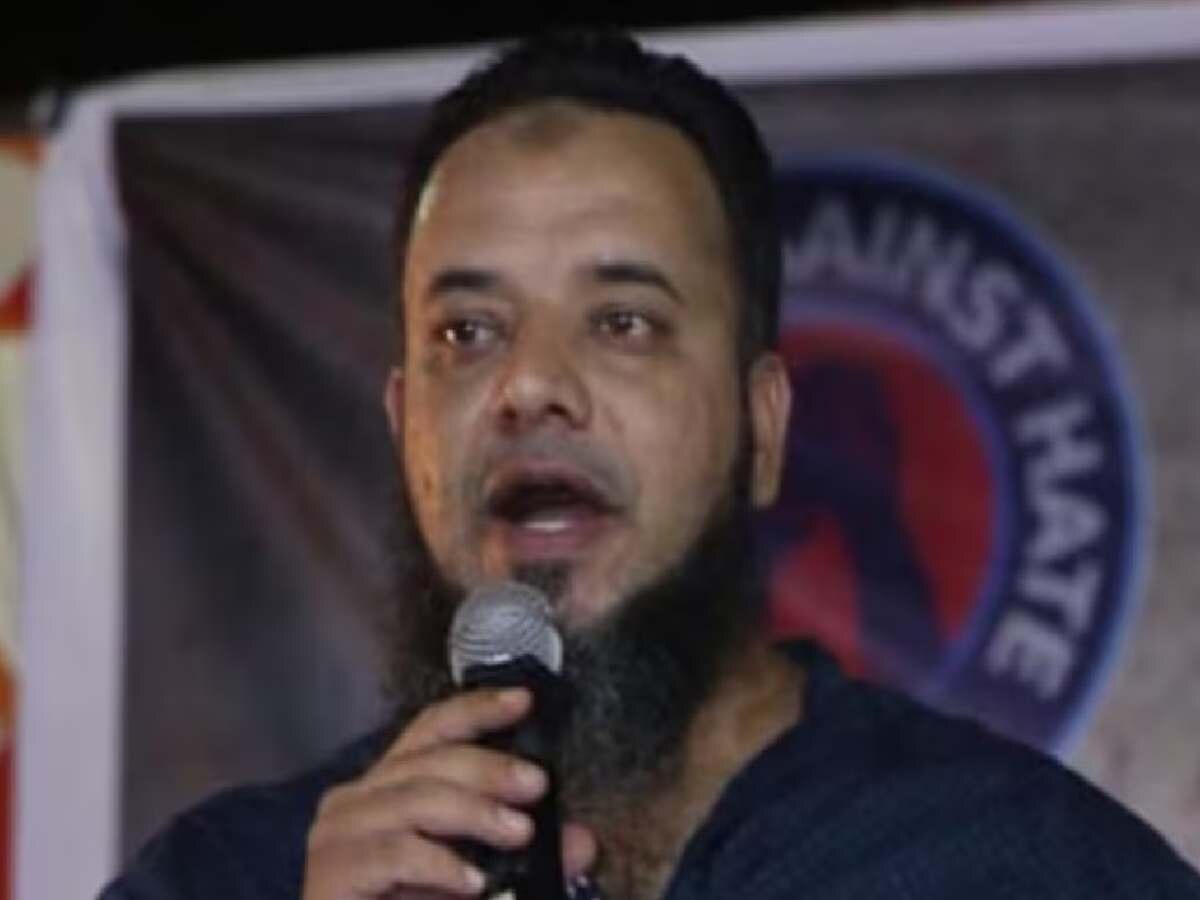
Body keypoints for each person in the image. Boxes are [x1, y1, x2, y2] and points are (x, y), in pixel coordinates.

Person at [100, 29, 1200, 900]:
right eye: (467, 333)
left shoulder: (1014, 864)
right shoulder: (229, 877)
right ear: (405, 428)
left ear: (763, 428)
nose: (530, 385)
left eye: (623, 322)